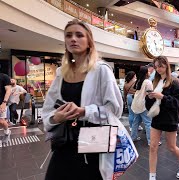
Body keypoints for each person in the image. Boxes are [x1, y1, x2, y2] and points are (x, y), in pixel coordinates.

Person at [42, 19, 123, 180]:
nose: (73, 39)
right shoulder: (61, 73)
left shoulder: (101, 71)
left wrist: (84, 111)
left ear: (89, 42)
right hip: (64, 142)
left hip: (93, 142)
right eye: (68, 35)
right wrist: (55, 117)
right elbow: (48, 110)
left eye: (79, 35)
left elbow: (115, 109)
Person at [146, 56, 179, 180]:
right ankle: (152, 176)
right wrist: (149, 98)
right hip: (157, 117)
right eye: (157, 66)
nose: (159, 69)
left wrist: (162, 97)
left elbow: (178, 103)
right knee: (153, 146)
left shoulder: (174, 82)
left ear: (166, 66)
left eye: (161, 66)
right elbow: (149, 104)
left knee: (171, 147)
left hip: (170, 118)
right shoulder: (155, 81)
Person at [131, 66, 152, 145]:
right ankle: (150, 141)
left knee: (135, 122)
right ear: (146, 73)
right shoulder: (148, 82)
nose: (150, 72)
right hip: (143, 104)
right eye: (149, 71)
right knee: (148, 123)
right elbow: (150, 94)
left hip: (136, 103)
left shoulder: (139, 80)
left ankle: (133, 137)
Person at [0, 72, 12, 143]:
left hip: (1, 103)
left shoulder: (4, 77)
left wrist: (4, 102)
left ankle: (7, 132)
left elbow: (8, 90)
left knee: (2, 121)